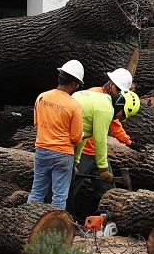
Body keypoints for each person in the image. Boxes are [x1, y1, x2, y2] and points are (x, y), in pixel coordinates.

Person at [75, 72, 141, 200]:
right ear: (111, 83)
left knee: (108, 189)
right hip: (84, 150)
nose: (119, 93)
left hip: (98, 153)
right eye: (118, 89)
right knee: (72, 184)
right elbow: (99, 137)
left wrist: (129, 142)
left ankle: (110, 209)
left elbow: (115, 123)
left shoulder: (113, 103)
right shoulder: (95, 94)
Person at [29, 60, 85, 208]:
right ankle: (55, 229)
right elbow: (76, 137)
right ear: (73, 84)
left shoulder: (42, 97)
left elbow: (37, 124)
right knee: (59, 197)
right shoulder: (74, 105)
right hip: (62, 154)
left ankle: (28, 223)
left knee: (36, 192)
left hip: (41, 151)